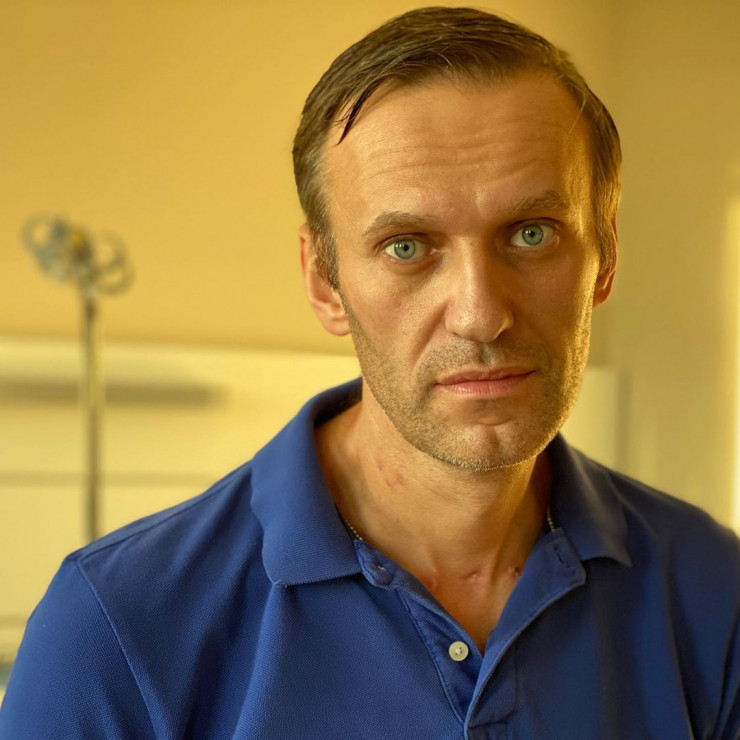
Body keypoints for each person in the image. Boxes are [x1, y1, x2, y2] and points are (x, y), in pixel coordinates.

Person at [1, 6, 739, 738]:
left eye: (531, 234)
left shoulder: (714, 594)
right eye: (407, 246)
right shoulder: (116, 630)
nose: (480, 314)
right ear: (324, 280)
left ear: (604, 255)